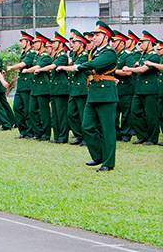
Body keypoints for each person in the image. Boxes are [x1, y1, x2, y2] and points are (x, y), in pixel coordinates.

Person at [57, 21, 118, 171]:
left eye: (97, 35)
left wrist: (77, 67)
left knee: (107, 129)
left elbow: (95, 65)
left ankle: (108, 163)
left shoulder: (109, 52)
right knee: (87, 126)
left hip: (106, 94)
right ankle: (98, 156)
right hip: (94, 92)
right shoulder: (95, 52)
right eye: (94, 35)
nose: (94, 38)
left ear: (106, 37)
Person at [123, 31, 160, 145]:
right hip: (139, 89)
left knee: (151, 114)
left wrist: (128, 69)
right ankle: (142, 135)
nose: (141, 44)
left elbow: (142, 69)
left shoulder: (154, 55)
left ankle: (153, 138)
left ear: (150, 43)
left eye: (143, 42)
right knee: (135, 111)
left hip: (150, 89)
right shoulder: (142, 55)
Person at [7, 31, 36, 139]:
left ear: (28, 42)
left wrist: (12, 67)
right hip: (21, 85)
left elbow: (23, 64)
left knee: (27, 109)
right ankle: (23, 130)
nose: (20, 43)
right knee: (17, 108)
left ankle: (29, 132)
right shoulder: (24, 54)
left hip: (28, 85)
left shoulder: (31, 54)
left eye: (21, 41)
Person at [26, 33, 52, 141]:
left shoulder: (45, 56)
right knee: (31, 110)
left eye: (36, 43)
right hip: (36, 87)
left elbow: (38, 66)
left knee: (44, 111)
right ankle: (38, 132)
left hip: (43, 87)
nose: (34, 44)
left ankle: (46, 134)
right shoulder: (37, 56)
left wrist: (27, 70)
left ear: (42, 44)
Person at [112, 32, 135, 142]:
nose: (112, 43)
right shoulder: (113, 55)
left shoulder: (127, 55)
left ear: (122, 43)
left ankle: (126, 134)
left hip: (125, 88)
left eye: (115, 41)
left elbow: (128, 72)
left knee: (126, 113)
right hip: (114, 88)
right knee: (114, 112)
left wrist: (114, 71)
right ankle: (116, 133)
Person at [49, 33, 71, 143]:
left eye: (55, 43)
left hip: (61, 88)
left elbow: (53, 67)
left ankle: (63, 137)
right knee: (55, 114)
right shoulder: (56, 55)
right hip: (54, 88)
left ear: (61, 44)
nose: (52, 45)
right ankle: (57, 136)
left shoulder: (62, 55)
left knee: (62, 114)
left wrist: (41, 69)